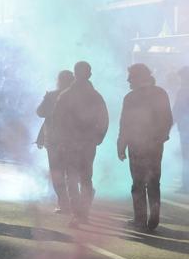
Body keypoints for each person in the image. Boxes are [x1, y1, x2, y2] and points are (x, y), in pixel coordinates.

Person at [118, 64, 173, 231]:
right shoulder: (160, 93)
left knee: (138, 183)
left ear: (138, 77)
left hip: (136, 146)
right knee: (154, 181)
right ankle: (154, 216)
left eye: (131, 76)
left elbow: (125, 124)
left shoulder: (131, 97)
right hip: (155, 146)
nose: (128, 80)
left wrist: (121, 144)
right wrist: (160, 138)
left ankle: (140, 219)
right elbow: (168, 119)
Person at [53, 61, 109, 226]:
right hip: (88, 143)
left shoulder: (66, 95)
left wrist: (61, 141)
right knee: (86, 178)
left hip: (71, 143)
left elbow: (57, 121)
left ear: (75, 74)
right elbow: (104, 119)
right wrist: (98, 137)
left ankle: (78, 214)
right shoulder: (95, 95)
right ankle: (83, 213)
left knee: (72, 179)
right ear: (90, 74)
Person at [36, 70, 74, 214]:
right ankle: (75, 202)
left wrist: (46, 99)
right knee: (71, 172)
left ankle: (64, 204)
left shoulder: (53, 95)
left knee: (57, 172)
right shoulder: (77, 95)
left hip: (55, 140)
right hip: (72, 141)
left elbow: (40, 113)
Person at [173, 66, 189, 193]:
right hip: (184, 129)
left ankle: (186, 186)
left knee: (186, 157)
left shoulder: (183, 91)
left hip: (185, 130)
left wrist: (168, 125)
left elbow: (177, 110)